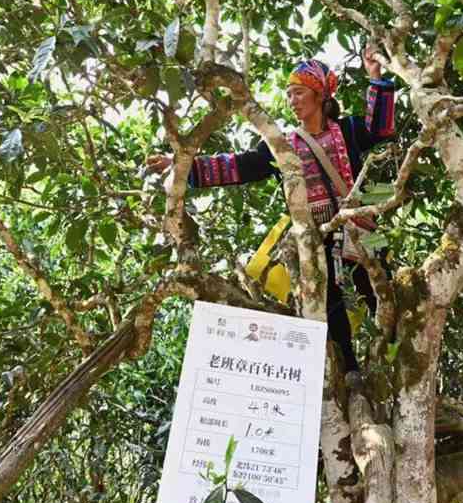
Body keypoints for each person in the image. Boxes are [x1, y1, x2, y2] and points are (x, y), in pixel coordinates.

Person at [146, 52, 397, 372]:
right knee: (327, 300)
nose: (292, 100)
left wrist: (376, 75)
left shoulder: (347, 130)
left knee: (383, 292)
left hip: (361, 227)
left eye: (299, 92)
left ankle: (395, 361)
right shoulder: (284, 144)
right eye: (289, 94)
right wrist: (182, 166)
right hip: (316, 235)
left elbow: (379, 129)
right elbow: (243, 165)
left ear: (320, 95)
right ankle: (348, 371)